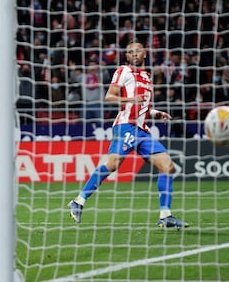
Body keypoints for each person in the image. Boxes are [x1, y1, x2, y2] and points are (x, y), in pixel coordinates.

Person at [68, 40, 189, 229]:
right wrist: (130, 98)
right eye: (130, 51)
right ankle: (78, 201)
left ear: (145, 54)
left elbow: (143, 107)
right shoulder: (124, 71)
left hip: (142, 130)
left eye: (138, 50)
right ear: (127, 56)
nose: (134, 53)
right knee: (113, 163)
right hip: (126, 126)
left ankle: (165, 216)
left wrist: (157, 113)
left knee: (167, 166)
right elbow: (109, 97)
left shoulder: (147, 77)